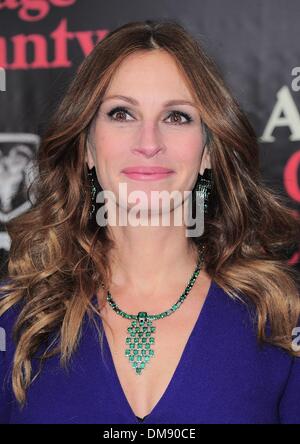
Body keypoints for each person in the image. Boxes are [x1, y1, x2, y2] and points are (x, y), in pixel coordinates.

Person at [0, 19, 300, 424]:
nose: (148, 143)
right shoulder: (16, 317)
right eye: (121, 113)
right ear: (87, 146)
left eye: (177, 117)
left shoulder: (279, 317)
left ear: (209, 151)